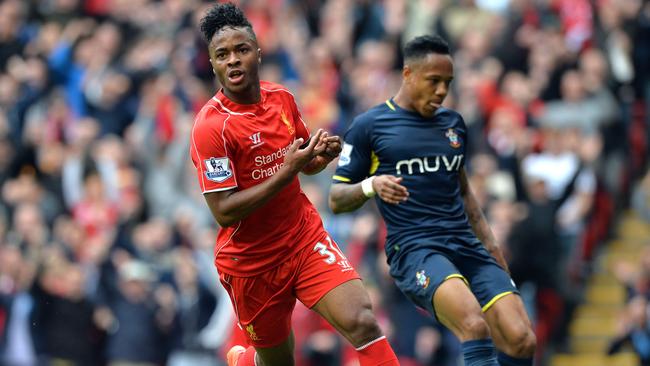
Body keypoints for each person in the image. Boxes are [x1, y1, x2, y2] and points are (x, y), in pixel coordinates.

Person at [189, 3, 399, 366]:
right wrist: (287, 171)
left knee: (362, 320)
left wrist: (320, 156)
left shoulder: (281, 98)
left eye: (241, 50)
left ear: (258, 51)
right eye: (222, 55)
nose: (233, 61)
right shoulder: (211, 128)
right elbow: (223, 211)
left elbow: (303, 161)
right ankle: (245, 361)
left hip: (303, 238)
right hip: (252, 263)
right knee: (278, 361)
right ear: (213, 64)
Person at [329, 35, 537, 366]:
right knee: (473, 323)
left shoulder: (453, 124)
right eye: (433, 81)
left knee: (522, 340)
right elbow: (337, 199)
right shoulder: (369, 126)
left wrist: (495, 255)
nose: (442, 91)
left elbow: (466, 196)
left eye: (447, 83)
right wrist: (371, 184)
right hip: (416, 250)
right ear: (408, 74)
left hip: (467, 244)